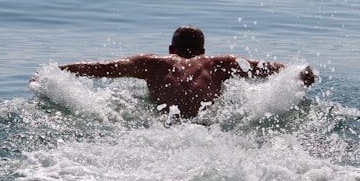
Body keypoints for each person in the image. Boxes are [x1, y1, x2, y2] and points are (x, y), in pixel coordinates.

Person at [56, 25, 315, 118]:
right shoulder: (221, 63)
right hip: (206, 128)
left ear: (171, 48)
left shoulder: (152, 63)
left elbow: (102, 68)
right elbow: (269, 69)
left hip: (166, 129)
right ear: (203, 50)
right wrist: (300, 71)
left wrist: (57, 72)